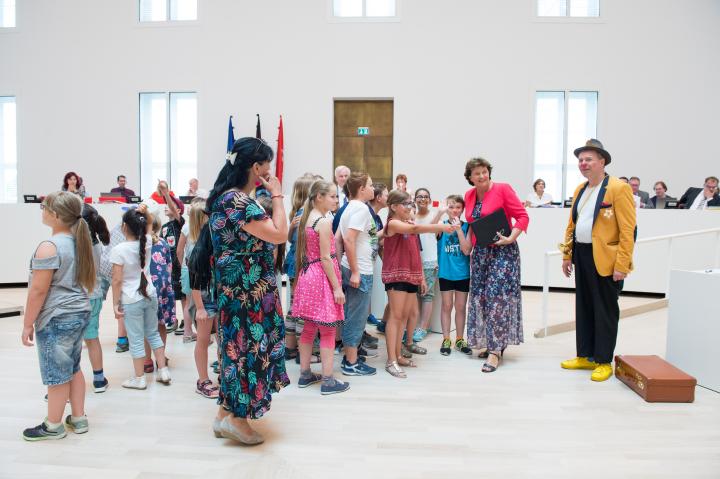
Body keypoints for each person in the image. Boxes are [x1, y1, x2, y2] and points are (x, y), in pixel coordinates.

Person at [206, 137, 289, 446]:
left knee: (235, 348)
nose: (269, 172)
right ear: (257, 167)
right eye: (267, 166)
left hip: (238, 288)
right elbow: (279, 234)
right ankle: (238, 420)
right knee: (248, 350)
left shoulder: (227, 198)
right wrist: (277, 194)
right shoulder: (240, 201)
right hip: (248, 292)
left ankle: (222, 417)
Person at [560, 139, 636, 382]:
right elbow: (572, 224)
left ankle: (603, 360)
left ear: (602, 161)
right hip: (581, 254)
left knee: (605, 310)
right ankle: (585, 356)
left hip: (606, 258)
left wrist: (622, 265)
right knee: (584, 307)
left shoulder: (618, 188)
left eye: (589, 159)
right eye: (581, 160)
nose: (583, 163)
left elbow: (628, 230)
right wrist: (567, 254)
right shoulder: (580, 190)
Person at [21, 192, 95, 441]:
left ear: (54, 215)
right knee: (73, 367)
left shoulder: (49, 247)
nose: (41, 210)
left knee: (57, 373)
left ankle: (53, 425)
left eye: (44, 207)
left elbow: (38, 291)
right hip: (79, 312)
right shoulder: (79, 242)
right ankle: (78, 417)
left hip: (57, 316)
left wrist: (27, 323)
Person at [381, 190, 457, 378]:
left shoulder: (408, 223)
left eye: (410, 204)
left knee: (405, 317)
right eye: (406, 204)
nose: (410, 207)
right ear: (393, 207)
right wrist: (440, 227)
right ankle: (391, 360)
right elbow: (415, 230)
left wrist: (420, 276)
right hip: (396, 276)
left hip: (410, 276)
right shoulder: (393, 223)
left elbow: (415, 251)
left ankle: (398, 354)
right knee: (396, 317)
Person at [464, 157, 529, 373]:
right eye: (477, 173)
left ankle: (494, 352)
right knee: (482, 298)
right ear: (470, 178)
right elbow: (472, 223)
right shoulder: (469, 195)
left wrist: (511, 238)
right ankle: (493, 343)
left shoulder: (503, 189)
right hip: (481, 253)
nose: (482, 176)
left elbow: (522, 216)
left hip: (503, 251)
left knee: (497, 299)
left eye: (484, 171)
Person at [289, 180, 350, 395]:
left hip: (308, 275)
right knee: (328, 329)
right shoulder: (323, 222)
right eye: (333, 196)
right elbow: (325, 257)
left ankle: (305, 374)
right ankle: (328, 380)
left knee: (308, 328)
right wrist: (337, 287)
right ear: (319, 197)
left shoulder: (308, 218)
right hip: (321, 277)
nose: (337, 200)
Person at [111, 206, 171, 389]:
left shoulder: (119, 249)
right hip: (150, 295)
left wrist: (115, 303)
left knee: (136, 339)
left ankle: (139, 379)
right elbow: (151, 223)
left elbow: (116, 280)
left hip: (131, 299)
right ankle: (163, 371)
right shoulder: (147, 242)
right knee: (153, 333)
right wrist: (144, 212)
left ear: (124, 227)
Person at [336, 172, 379, 376]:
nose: (373, 189)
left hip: (353, 266)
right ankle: (351, 363)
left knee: (353, 314)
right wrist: (354, 271)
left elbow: (339, 239)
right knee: (357, 317)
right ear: (361, 189)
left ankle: (350, 356)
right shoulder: (361, 209)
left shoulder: (349, 207)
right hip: (359, 269)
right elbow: (348, 240)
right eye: (370, 185)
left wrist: (340, 266)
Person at [282, 175, 316, 361]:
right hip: (301, 264)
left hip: (296, 264)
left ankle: (291, 347)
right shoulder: (305, 213)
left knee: (295, 307)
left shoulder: (298, 212)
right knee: (301, 309)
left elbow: (290, 239)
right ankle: (301, 351)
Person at [437, 195, 473, 356]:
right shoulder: (441, 226)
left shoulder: (468, 227)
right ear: (447, 209)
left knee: (460, 307)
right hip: (445, 272)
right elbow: (427, 230)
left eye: (458, 207)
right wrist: (439, 213)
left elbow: (466, 250)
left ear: (463, 209)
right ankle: (446, 338)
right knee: (446, 306)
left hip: (462, 274)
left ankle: (459, 338)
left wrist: (458, 229)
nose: (454, 210)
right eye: (451, 207)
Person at [81, 204, 111, 393]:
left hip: (75, 298)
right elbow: (104, 273)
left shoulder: (73, 246)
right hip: (93, 296)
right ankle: (99, 379)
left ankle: (64, 384)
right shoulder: (98, 246)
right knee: (92, 338)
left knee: (72, 342)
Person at [144, 215, 175, 373]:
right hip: (163, 288)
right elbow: (169, 265)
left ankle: (147, 360)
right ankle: (160, 357)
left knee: (147, 325)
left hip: (147, 288)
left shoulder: (140, 243)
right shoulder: (162, 243)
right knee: (161, 324)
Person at [412, 188, 443, 344]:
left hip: (429, 261)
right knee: (414, 295)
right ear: (415, 199)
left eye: (425, 196)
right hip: (413, 262)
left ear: (430, 200)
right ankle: (415, 325)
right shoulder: (411, 216)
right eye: (419, 196)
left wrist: (439, 214)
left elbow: (435, 232)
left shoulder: (434, 216)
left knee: (427, 295)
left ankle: (423, 327)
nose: (422, 199)